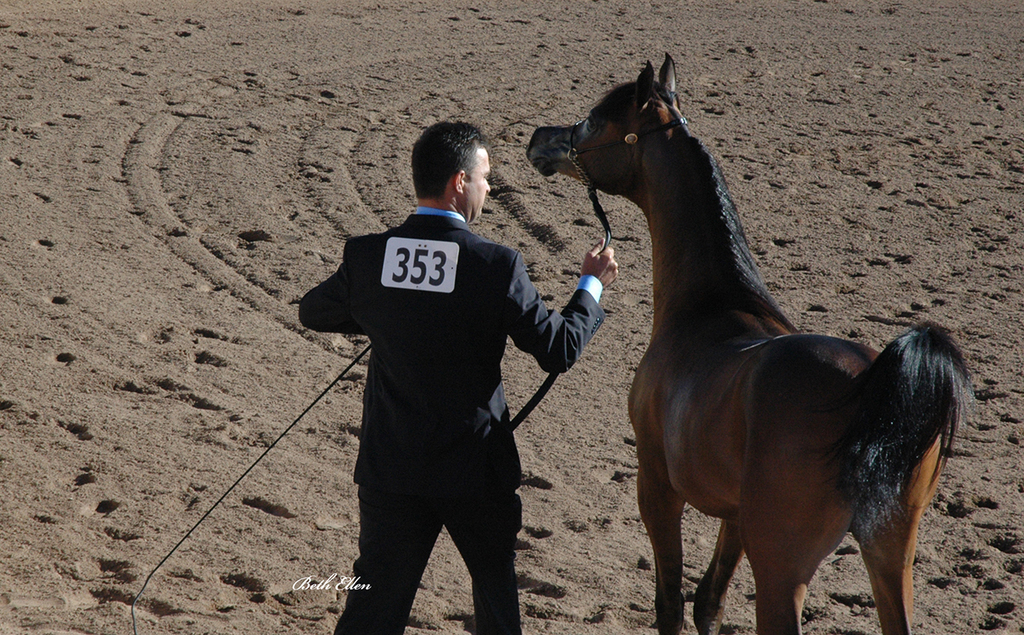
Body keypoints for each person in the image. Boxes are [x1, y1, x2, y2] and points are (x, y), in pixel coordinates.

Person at [298, 121, 618, 634]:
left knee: (373, 613)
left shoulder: (367, 255)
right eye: (485, 177)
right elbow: (559, 348)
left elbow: (314, 312)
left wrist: (383, 315)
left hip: (392, 469)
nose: (489, 188)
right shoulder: (496, 265)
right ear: (457, 183)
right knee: (495, 607)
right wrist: (590, 286)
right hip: (476, 472)